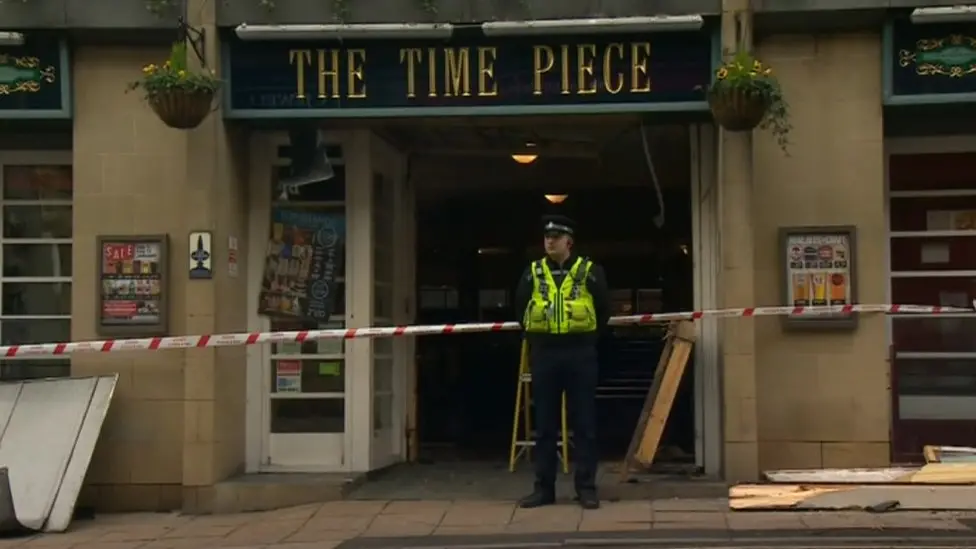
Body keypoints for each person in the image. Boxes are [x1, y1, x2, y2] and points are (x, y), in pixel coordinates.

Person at [513, 214, 610, 509]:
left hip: (580, 354)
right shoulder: (532, 272)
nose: (549, 241)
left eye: (555, 237)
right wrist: (539, 341)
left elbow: (603, 310)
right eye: (546, 237)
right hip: (545, 355)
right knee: (544, 426)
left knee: (584, 425)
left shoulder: (590, 271)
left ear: (569, 241)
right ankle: (544, 489)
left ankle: (586, 488)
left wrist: (586, 341)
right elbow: (520, 310)